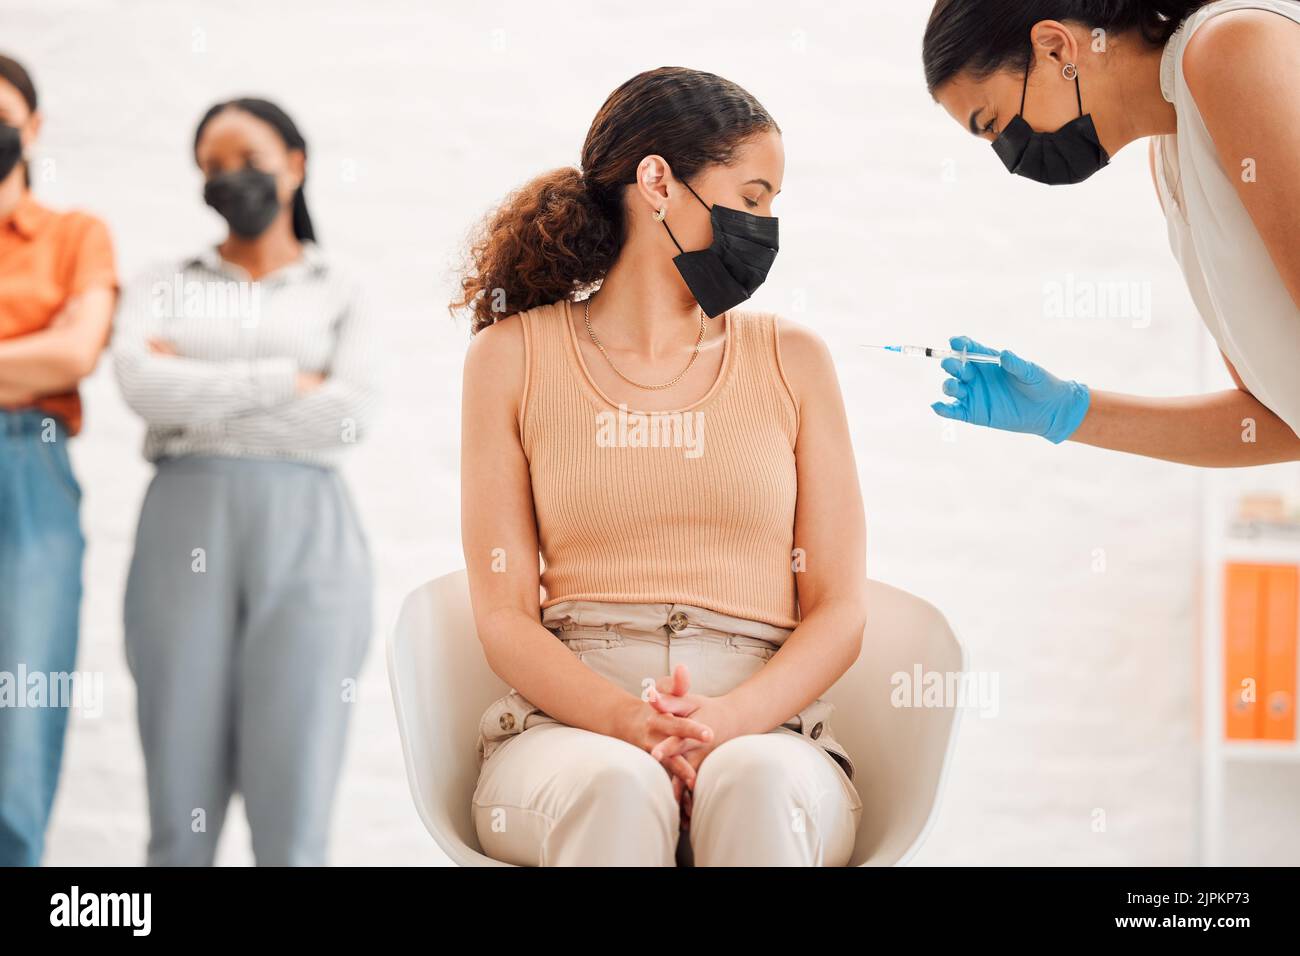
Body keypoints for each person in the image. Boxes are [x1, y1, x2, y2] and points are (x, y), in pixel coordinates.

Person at [454, 67, 868, 866]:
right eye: (752, 197)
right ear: (657, 183)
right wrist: (628, 724)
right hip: (570, 729)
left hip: (767, 727)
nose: (766, 224)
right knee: (616, 785)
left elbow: (840, 608)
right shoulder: (508, 358)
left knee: (752, 782)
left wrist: (723, 724)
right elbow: (503, 615)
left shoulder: (795, 361)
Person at [114, 98, 377, 865]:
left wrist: (196, 382)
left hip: (309, 537)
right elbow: (139, 385)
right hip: (182, 529)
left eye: (250, 159)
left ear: (296, 164)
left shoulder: (343, 287)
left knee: (292, 820)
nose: (233, 178)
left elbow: (350, 416)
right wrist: (287, 379)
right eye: (214, 166)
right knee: (178, 808)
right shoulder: (162, 281)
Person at [923, 0, 1300, 466]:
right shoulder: (1171, 161)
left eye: (997, 125)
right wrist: (1067, 412)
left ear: (1056, 49)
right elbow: (1282, 421)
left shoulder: (1228, 47)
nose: (1011, 156)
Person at [0, 53, 117, 866]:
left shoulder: (77, 234)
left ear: (32, 126)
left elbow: (76, 352)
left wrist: (50, 354)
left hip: (27, 472)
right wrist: (23, 353)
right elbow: (49, 348)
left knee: (19, 723)